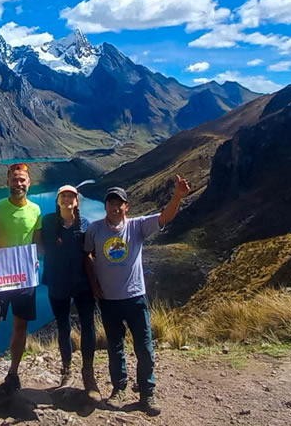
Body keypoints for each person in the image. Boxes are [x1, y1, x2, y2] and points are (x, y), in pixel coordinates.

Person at [85, 176, 190, 417]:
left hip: (135, 298)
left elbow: (164, 218)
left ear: (126, 206)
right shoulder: (94, 229)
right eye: (111, 203)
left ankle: (147, 394)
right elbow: (87, 256)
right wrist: (94, 285)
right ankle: (119, 389)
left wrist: (177, 196)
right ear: (106, 207)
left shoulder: (137, 226)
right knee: (115, 347)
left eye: (119, 203)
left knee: (144, 348)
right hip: (109, 300)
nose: (115, 207)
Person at [37, 184, 100, 400]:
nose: (67, 199)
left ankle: (88, 373)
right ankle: (66, 369)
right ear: (57, 200)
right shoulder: (47, 222)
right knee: (63, 326)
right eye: (63, 196)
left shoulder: (86, 225)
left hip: (82, 284)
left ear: (76, 201)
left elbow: (92, 253)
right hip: (57, 282)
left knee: (88, 325)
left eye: (71, 196)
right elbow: (36, 244)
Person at [0, 162, 42, 393]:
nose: (18, 184)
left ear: (29, 183)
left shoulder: (35, 210)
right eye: (14, 180)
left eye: (22, 180)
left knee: (21, 326)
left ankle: (13, 373)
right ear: (7, 182)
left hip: (24, 277)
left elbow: (35, 240)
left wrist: (35, 258)